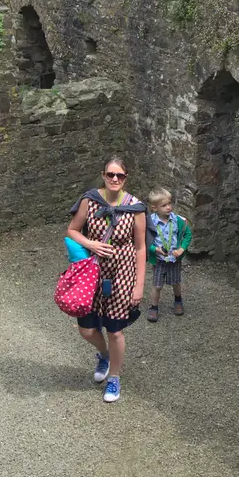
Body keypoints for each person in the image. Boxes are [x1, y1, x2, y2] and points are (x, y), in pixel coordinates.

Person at [65, 156, 147, 403]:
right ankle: (104, 354)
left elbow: (141, 248)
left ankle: (114, 378)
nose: (114, 179)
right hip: (92, 273)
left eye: (119, 176)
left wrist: (139, 285)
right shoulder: (90, 201)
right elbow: (72, 230)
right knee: (87, 328)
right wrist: (91, 244)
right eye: (110, 174)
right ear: (103, 175)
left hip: (123, 273)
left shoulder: (136, 207)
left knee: (115, 330)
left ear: (125, 178)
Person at [143, 188, 192, 322]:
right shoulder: (149, 223)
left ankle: (178, 300)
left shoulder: (178, 221)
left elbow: (188, 234)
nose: (169, 207)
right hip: (159, 261)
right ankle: (153, 307)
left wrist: (182, 249)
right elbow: (144, 240)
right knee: (157, 285)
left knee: (176, 282)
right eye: (164, 205)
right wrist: (154, 249)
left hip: (174, 260)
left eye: (170, 203)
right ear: (154, 208)